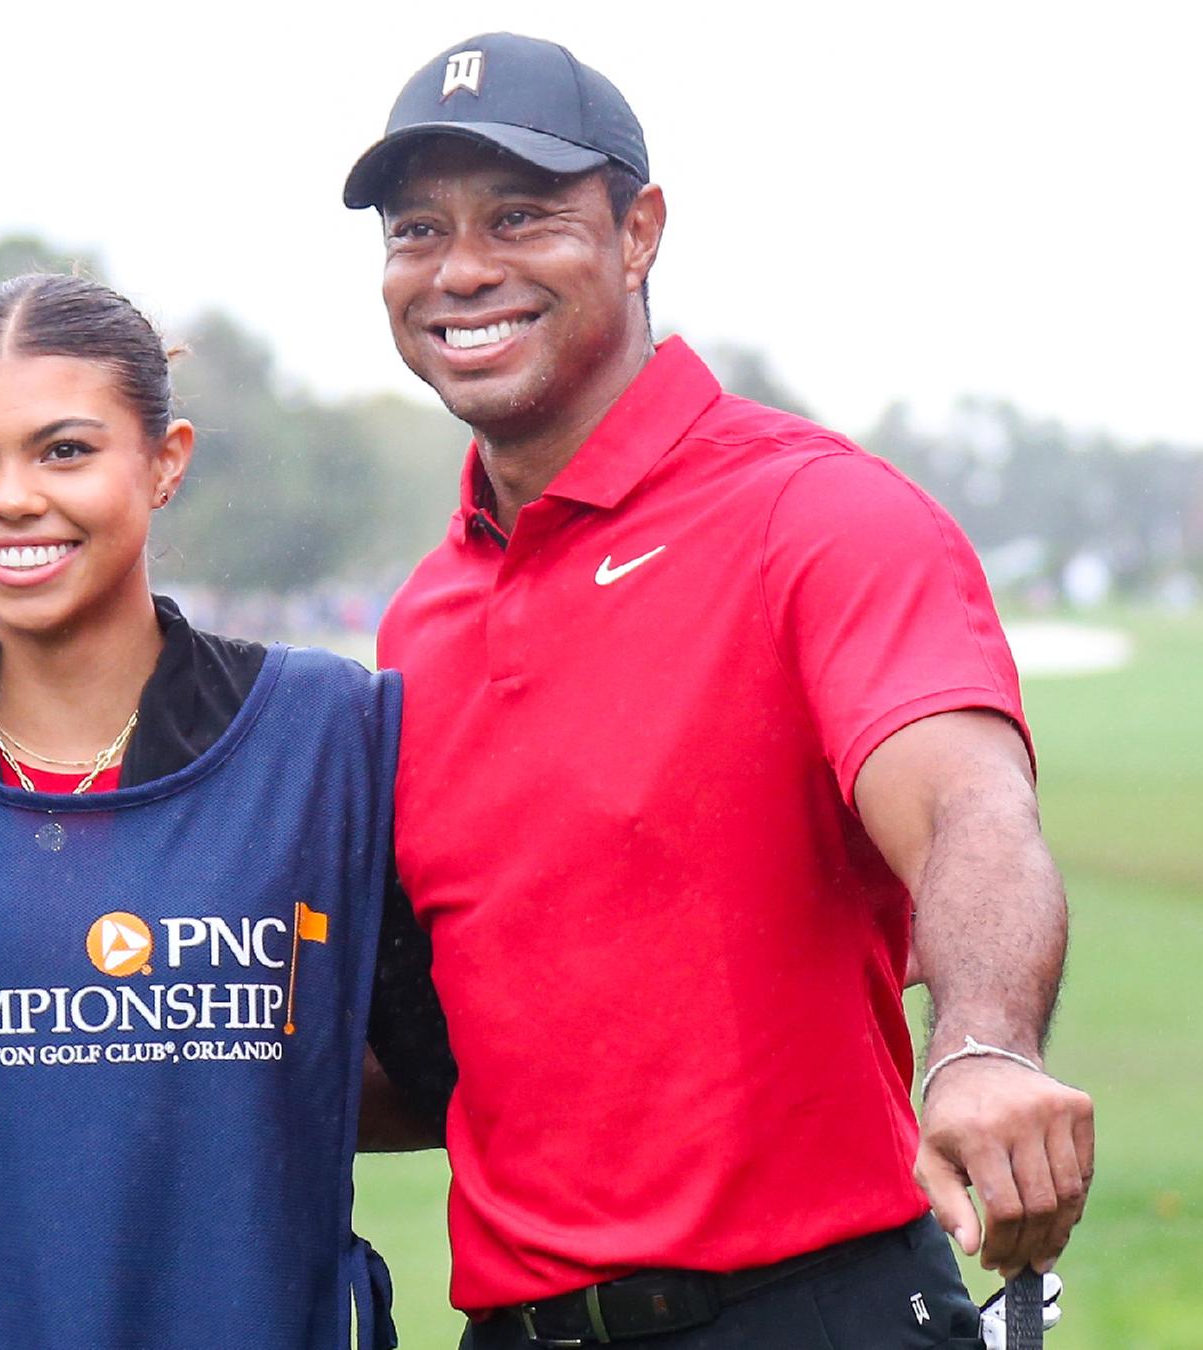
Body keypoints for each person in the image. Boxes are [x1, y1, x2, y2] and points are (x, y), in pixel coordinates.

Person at [342, 33, 1093, 1348]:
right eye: (418, 231)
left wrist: (984, 1041)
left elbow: (973, 802)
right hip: (512, 1323)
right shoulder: (422, 617)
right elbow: (447, 1054)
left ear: (640, 233)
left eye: (521, 217)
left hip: (811, 1305)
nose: (461, 270)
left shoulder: (817, 516)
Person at [0, 273, 451, 1349]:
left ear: (166, 462)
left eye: (65, 451)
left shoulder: (327, 735)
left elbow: (448, 1077)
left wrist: (186, 1083)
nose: (12, 498)